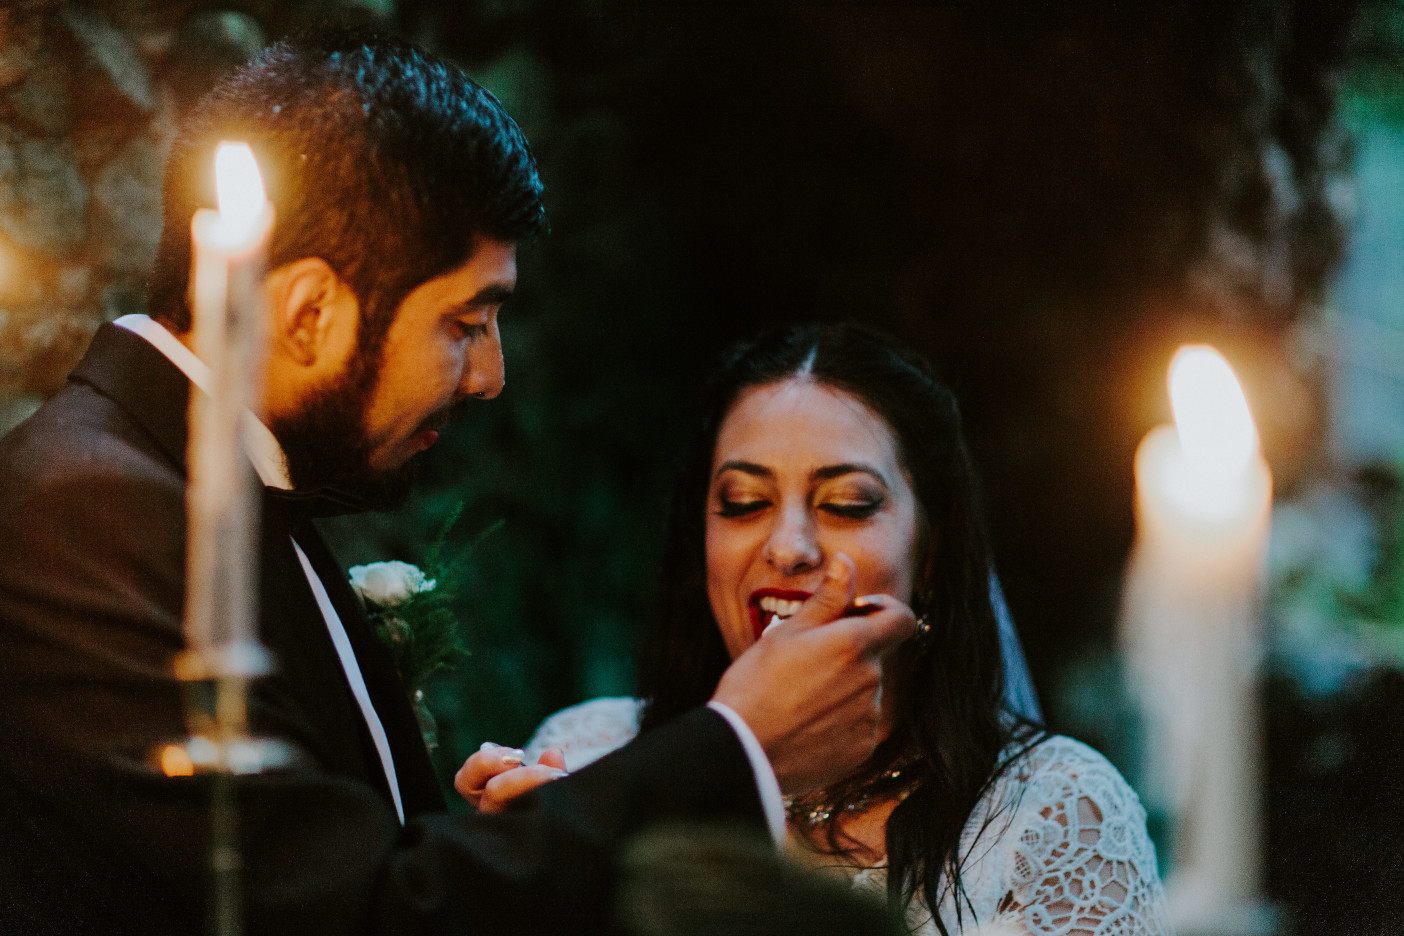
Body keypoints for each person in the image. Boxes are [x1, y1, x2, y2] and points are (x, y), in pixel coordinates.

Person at [0, 33, 914, 935]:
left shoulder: (201, 486)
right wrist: (739, 744)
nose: (490, 376)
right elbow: (353, 916)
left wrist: (505, 851)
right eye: (465, 321)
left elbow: (343, 872)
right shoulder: (86, 513)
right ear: (311, 313)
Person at [525, 324, 1172, 936]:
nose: (789, 547)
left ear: (932, 548)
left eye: (847, 505)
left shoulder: (1055, 815)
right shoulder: (588, 758)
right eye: (744, 503)